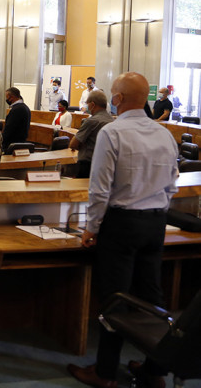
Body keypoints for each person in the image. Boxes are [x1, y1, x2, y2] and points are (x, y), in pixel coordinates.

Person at [68, 72, 178, 388]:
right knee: (152, 296)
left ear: (117, 98)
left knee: (115, 300)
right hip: (156, 222)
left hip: (121, 224)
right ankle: (155, 371)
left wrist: (91, 228)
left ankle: (104, 373)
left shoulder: (113, 133)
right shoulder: (164, 134)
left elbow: (100, 189)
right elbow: (171, 184)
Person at [69, 90, 113, 178]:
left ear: (92, 104)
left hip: (87, 166)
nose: (87, 106)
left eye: (87, 104)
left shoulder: (91, 121)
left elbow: (73, 144)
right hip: (105, 166)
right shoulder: (112, 121)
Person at [2, 86, 31, 152]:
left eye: (7, 97)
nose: (6, 99)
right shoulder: (25, 107)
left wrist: (1, 142)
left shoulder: (16, 109)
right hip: (21, 143)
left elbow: (9, 129)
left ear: (11, 97)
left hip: (12, 146)